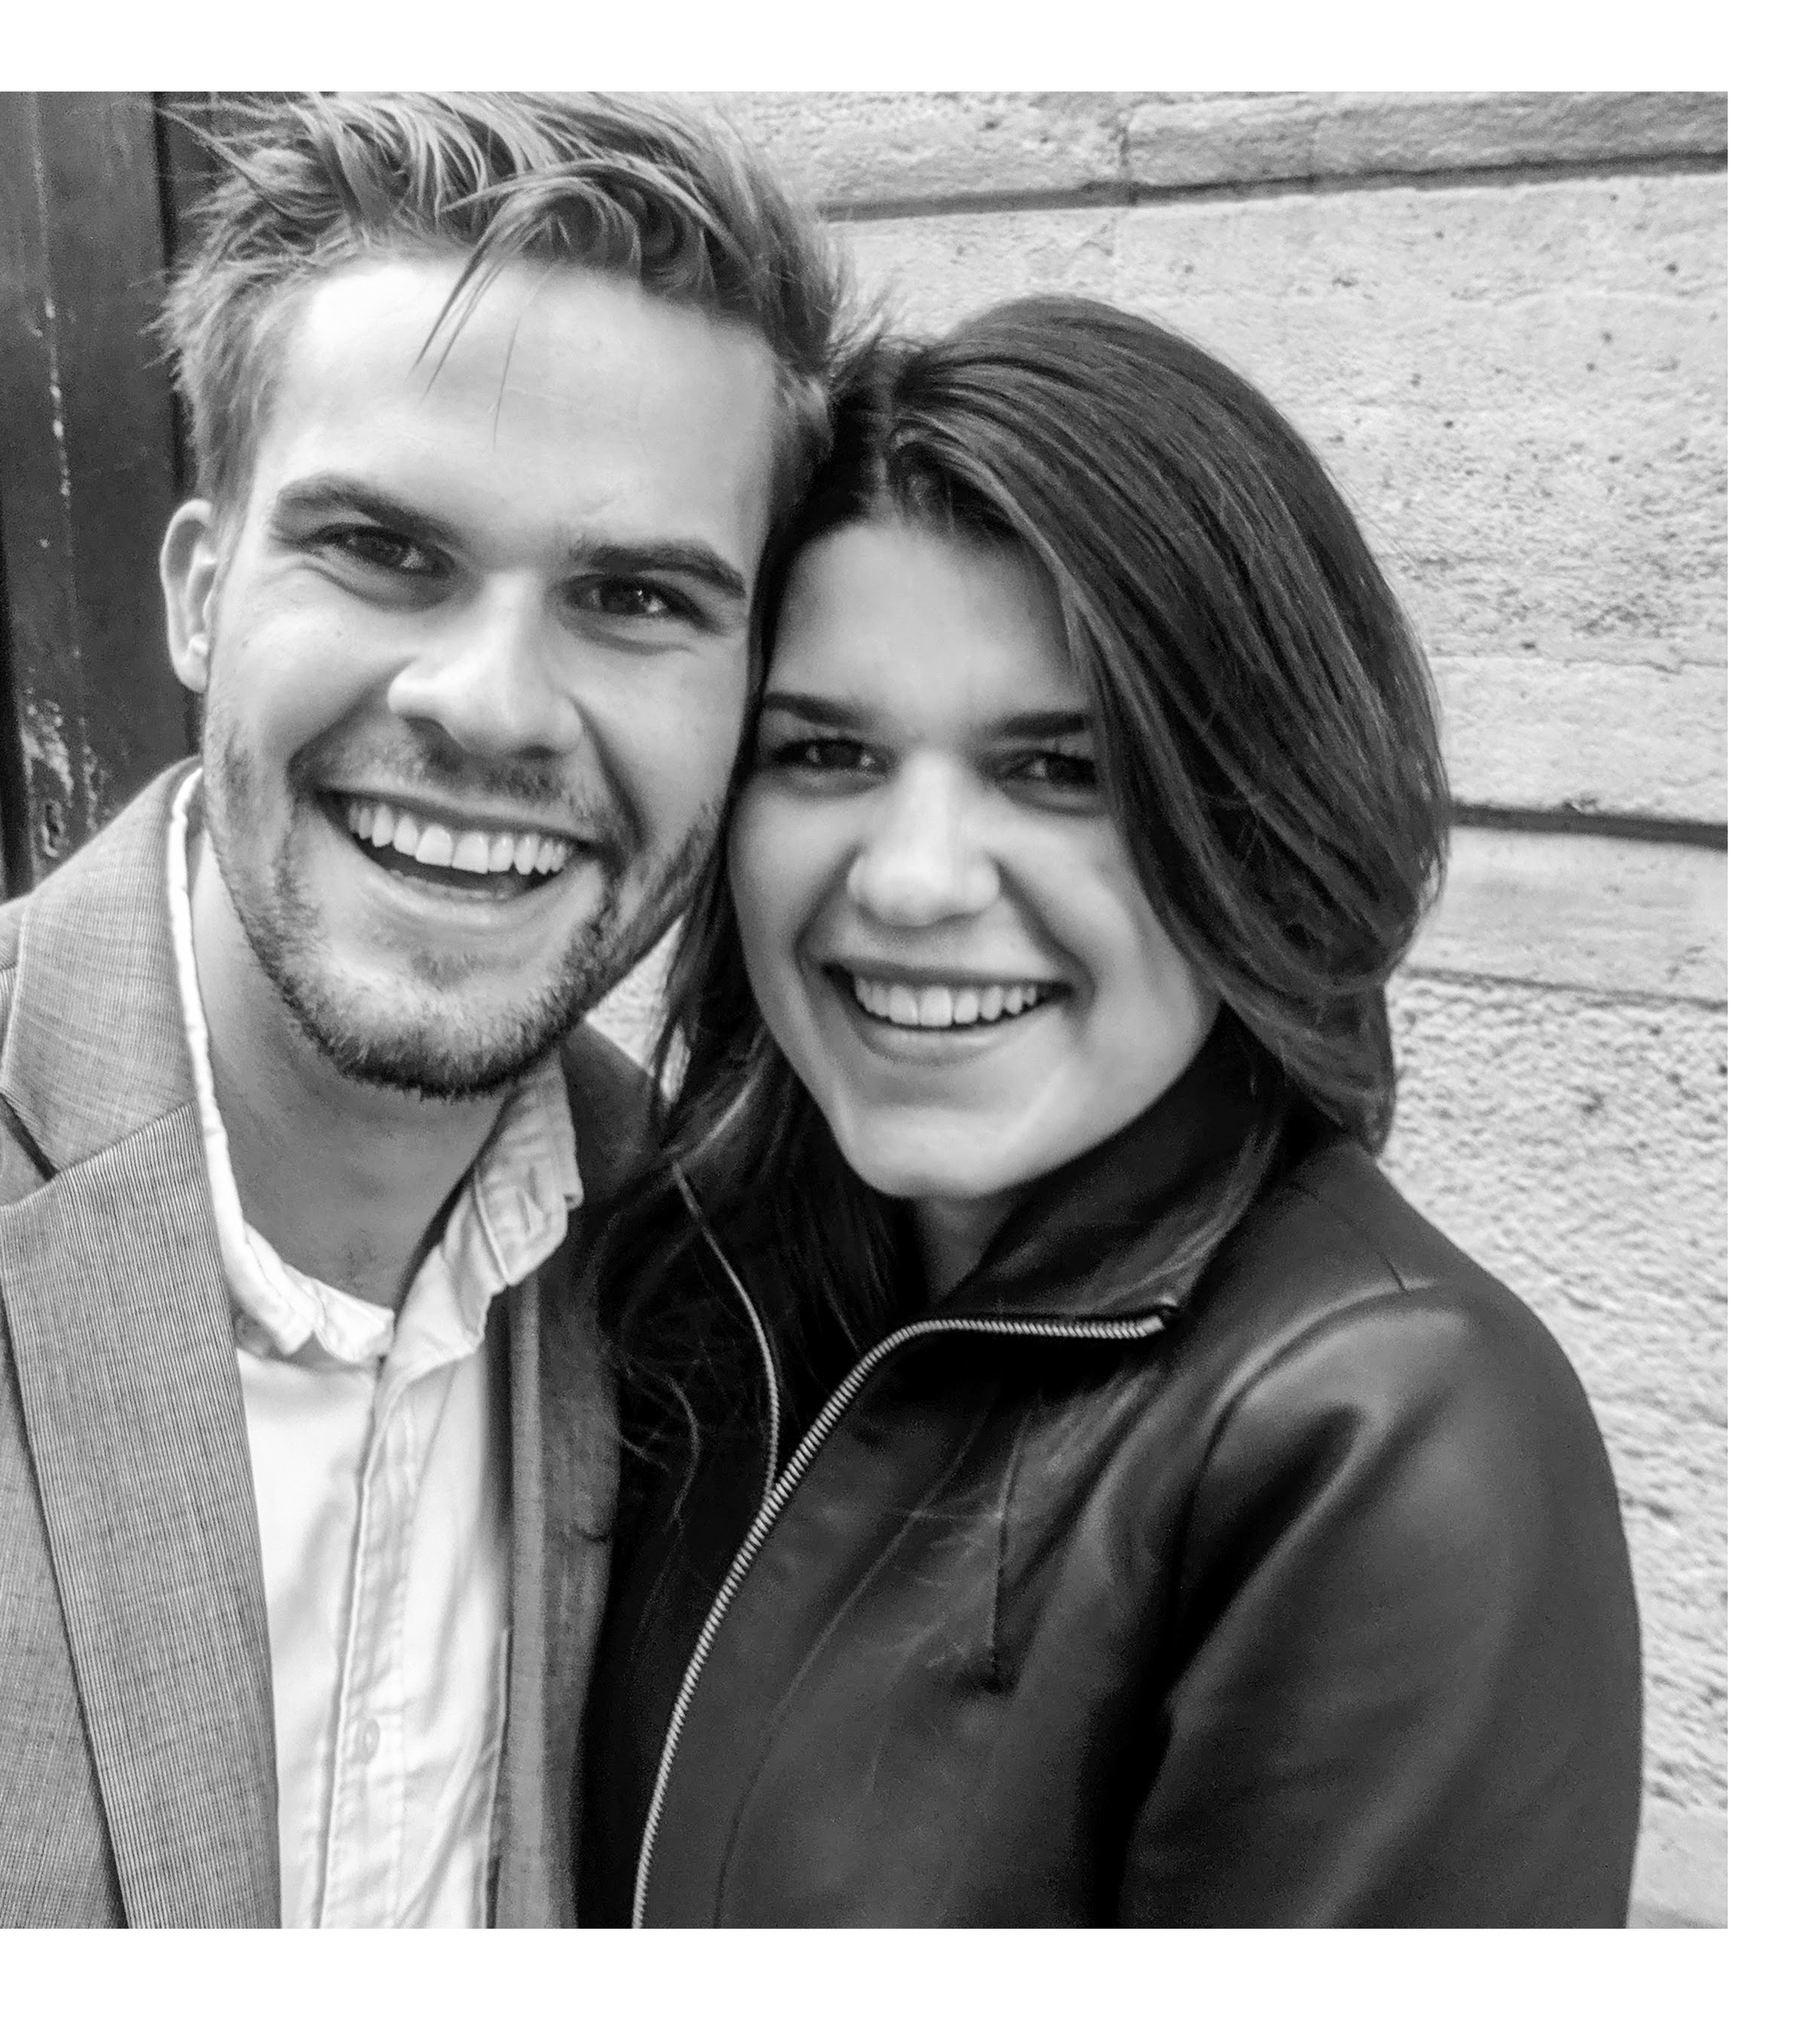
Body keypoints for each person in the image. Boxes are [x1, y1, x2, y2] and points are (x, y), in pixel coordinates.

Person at [0, 92, 846, 1927]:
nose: (491, 704)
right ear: (199, 593)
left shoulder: (710, 1282)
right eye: (385, 550)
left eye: (633, 595)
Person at [580, 297, 1644, 1926]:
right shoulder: (679, 1275)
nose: (913, 881)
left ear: (1260, 816)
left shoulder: (1389, 1435)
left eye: (1059, 769)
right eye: (826, 751)